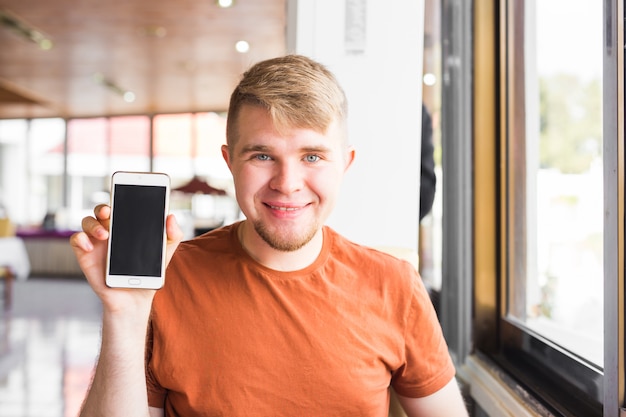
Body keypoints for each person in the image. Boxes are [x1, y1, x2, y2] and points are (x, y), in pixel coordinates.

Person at [70, 54, 468, 417]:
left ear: (344, 165)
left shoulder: (394, 284)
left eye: (312, 156)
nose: (288, 183)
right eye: (262, 155)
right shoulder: (167, 275)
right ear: (230, 162)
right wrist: (123, 314)